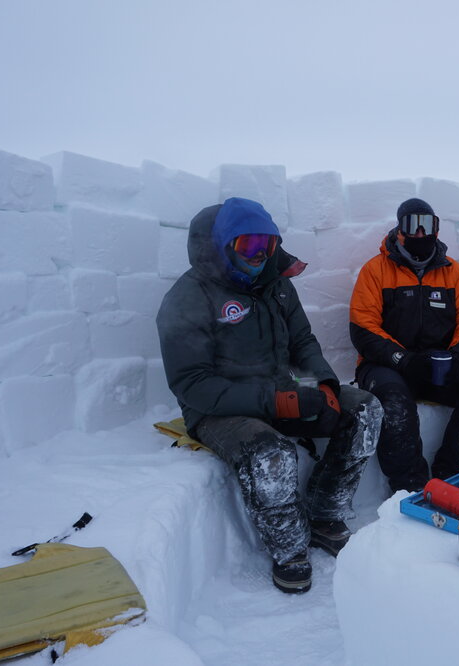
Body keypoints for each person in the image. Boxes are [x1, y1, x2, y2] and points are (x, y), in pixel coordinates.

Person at [156, 197, 383, 595]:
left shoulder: (277, 285)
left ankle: (325, 512)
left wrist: (323, 385)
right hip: (217, 409)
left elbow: (302, 343)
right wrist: (278, 400)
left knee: (364, 410)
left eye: (268, 244)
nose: (260, 255)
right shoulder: (189, 297)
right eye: (248, 245)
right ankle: (289, 548)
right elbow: (192, 384)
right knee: (270, 453)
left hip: (279, 390)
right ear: (224, 245)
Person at [349, 198, 459, 492]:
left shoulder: (452, 271)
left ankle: (452, 475)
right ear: (400, 230)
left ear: (436, 228)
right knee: (393, 400)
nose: (420, 233)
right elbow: (363, 328)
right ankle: (410, 487)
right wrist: (403, 360)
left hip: (438, 365)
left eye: (427, 225)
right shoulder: (376, 270)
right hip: (387, 365)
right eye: (412, 225)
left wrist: (458, 359)